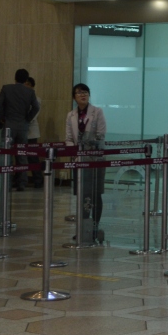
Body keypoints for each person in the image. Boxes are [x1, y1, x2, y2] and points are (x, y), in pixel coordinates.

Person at [64, 83, 106, 243]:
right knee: (82, 195)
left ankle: (94, 227)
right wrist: (75, 152)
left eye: (85, 92)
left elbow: (101, 134)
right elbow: (69, 138)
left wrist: (89, 148)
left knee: (95, 194)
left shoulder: (97, 112)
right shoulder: (71, 115)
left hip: (95, 159)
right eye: (79, 93)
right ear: (74, 97)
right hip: (79, 160)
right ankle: (83, 229)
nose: (83, 95)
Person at [0, 68, 38, 190]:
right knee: (22, 155)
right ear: (26, 80)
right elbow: (36, 107)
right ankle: (22, 183)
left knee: (7, 155)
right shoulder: (30, 92)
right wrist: (27, 119)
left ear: (15, 78)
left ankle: (7, 183)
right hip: (23, 126)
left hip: (8, 125)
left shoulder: (6, 88)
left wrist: (2, 118)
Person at [23, 75, 41, 188]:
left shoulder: (36, 99)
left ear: (32, 86)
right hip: (21, 131)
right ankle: (21, 180)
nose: (26, 86)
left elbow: (33, 116)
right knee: (20, 157)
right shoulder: (20, 98)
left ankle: (38, 180)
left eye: (28, 84)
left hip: (31, 132)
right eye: (24, 84)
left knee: (33, 157)